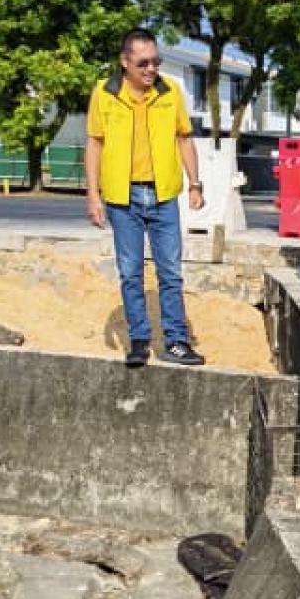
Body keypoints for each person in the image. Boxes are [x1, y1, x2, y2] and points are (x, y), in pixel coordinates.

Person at [86, 29, 206, 368]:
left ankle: (177, 341)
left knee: (170, 272)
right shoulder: (105, 93)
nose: (151, 69)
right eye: (143, 63)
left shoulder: (170, 92)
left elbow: (184, 138)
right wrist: (93, 195)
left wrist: (195, 184)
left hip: (163, 194)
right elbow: (95, 143)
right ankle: (139, 340)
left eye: (156, 61)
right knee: (130, 271)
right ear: (124, 62)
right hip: (122, 198)